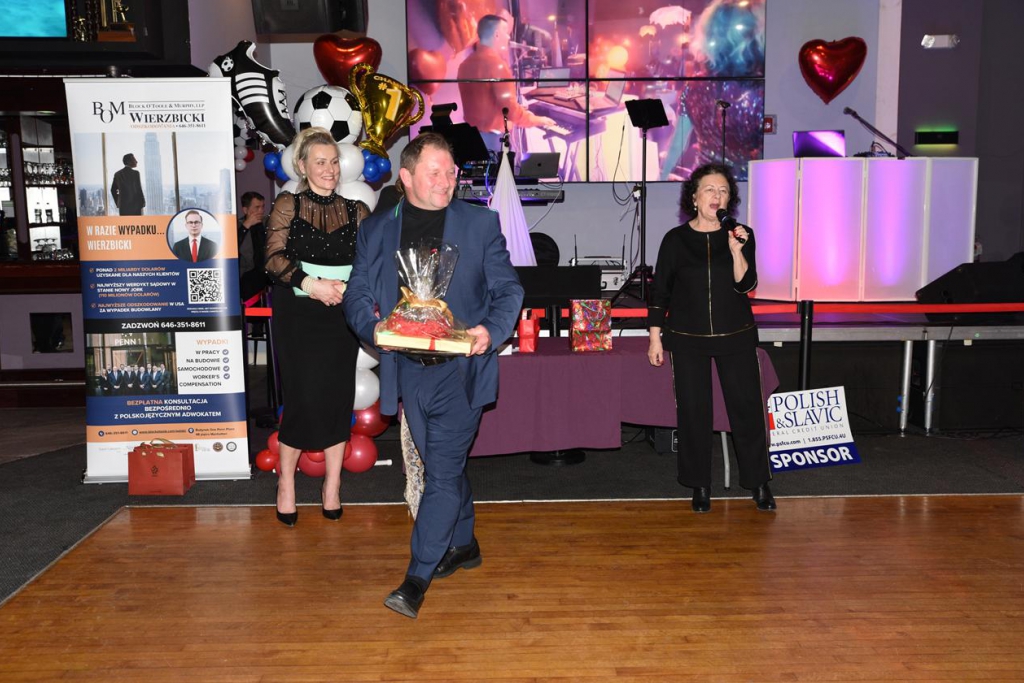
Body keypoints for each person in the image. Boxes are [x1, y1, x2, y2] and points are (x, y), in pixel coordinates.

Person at [344, 132, 524, 619]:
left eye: (451, 172)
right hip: (408, 369)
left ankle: (416, 578)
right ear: (406, 177)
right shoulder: (376, 229)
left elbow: (509, 289)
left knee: (440, 474)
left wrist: (491, 331)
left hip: (461, 370)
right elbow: (357, 291)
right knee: (443, 463)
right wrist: (371, 327)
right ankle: (463, 543)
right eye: (435, 172)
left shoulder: (480, 223)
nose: (447, 181)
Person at [647, 162, 775, 514]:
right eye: (709, 190)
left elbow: (747, 284)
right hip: (687, 338)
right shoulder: (675, 240)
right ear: (694, 197)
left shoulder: (742, 234)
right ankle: (699, 484)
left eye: (723, 191)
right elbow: (660, 293)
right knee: (694, 413)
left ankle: (759, 482)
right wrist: (655, 338)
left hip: (736, 335)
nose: (716, 196)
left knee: (747, 410)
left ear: (730, 199)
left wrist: (736, 251)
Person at [264, 127, 370, 527]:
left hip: (340, 315)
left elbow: (370, 264)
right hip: (298, 314)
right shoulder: (288, 203)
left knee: (337, 398)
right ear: (302, 166)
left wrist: (348, 288)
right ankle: (286, 484)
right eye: (320, 162)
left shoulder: (358, 210)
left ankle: (332, 486)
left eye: (334, 161)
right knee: (303, 398)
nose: (329, 169)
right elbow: (272, 258)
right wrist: (312, 284)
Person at [457, 13, 555, 155]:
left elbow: (484, 101)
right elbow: (510, 110)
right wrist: (537, 119)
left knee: (481, 171)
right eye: (506, 32)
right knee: (502, 170)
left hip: (471, 138)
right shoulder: (497, 66)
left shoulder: (464, 65)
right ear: (497, 34)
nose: (509, 37)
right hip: (493, 140)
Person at [238, 192, 270, 301]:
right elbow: (232, 247)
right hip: (248, 275)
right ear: (245, 210)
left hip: (267, 273)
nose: (261, 211)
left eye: (262, 206)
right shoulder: (238, 226)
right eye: (257, 207)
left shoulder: (267, 223)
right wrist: (246, 225)